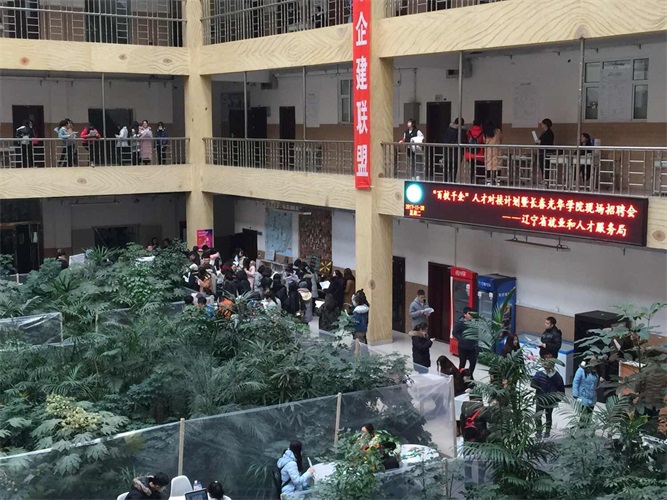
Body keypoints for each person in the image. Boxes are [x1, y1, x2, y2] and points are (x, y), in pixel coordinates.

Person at [531, 358, 565, 439]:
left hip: (548, 399)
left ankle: (546, 432)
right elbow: (532, 384)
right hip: (542, 399)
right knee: (539, 416)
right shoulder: (540, 374)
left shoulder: (556, 376)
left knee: (547, 416)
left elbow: (561, 390)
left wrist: (557, 399)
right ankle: (539, 432)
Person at [453, 307, 477, 378]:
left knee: (473, 362)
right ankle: (460, 376)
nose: (471, 315)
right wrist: (461, 339)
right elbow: (454, 332)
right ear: (465, 314)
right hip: (463, 347)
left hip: (472, 347)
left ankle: (470, 375)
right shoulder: (460, 323)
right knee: (462, 362)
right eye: (469, 314)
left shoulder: (474, 323)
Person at [442, 117, 466, 182]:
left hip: (447, 152)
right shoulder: (462, 131)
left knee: (447, 167)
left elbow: (445, 139)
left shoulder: (449, 129)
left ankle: (445, 181)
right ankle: (453, 180)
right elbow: (464, 141)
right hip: (456, 153)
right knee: (454, 168)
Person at [483, 120, 503, 185]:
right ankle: (498, 180)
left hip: (488, 150)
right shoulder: (498, 131)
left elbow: (484, 141)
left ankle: (488, 181)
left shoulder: (485, 132)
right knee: (498, 165)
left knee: (488, 165)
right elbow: (501, 138)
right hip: (497, 149)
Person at [536, 118, 555, 185]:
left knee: (546, 165)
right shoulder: (544, 132)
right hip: (542, 151)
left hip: (547, 151)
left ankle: (546, 179)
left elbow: (549, 142)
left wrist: (541, 142)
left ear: (545, 125)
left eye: (542, 124)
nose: (541, 125)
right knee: (542, 166)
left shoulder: (549, 132)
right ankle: (544, 179)